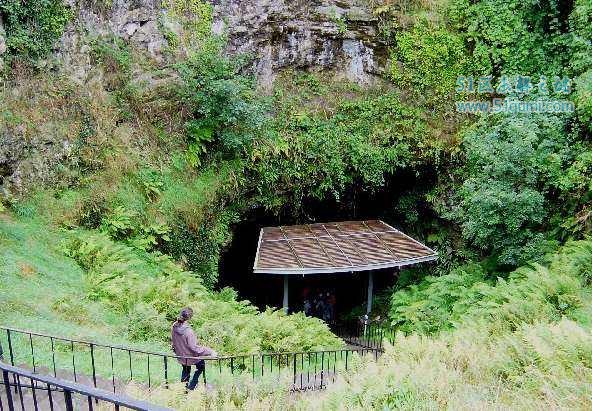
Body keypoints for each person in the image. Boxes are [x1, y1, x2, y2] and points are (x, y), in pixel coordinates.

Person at [171, 307, 217, 390]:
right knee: (201, 366)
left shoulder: (174, 326)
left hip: (181, 356)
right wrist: (210, 351)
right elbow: (194, 348)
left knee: (185, 369)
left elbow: (173, 341)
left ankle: (183, 390)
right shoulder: (188, 331)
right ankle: (192, 386)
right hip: (190, 357)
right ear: (190, 318)